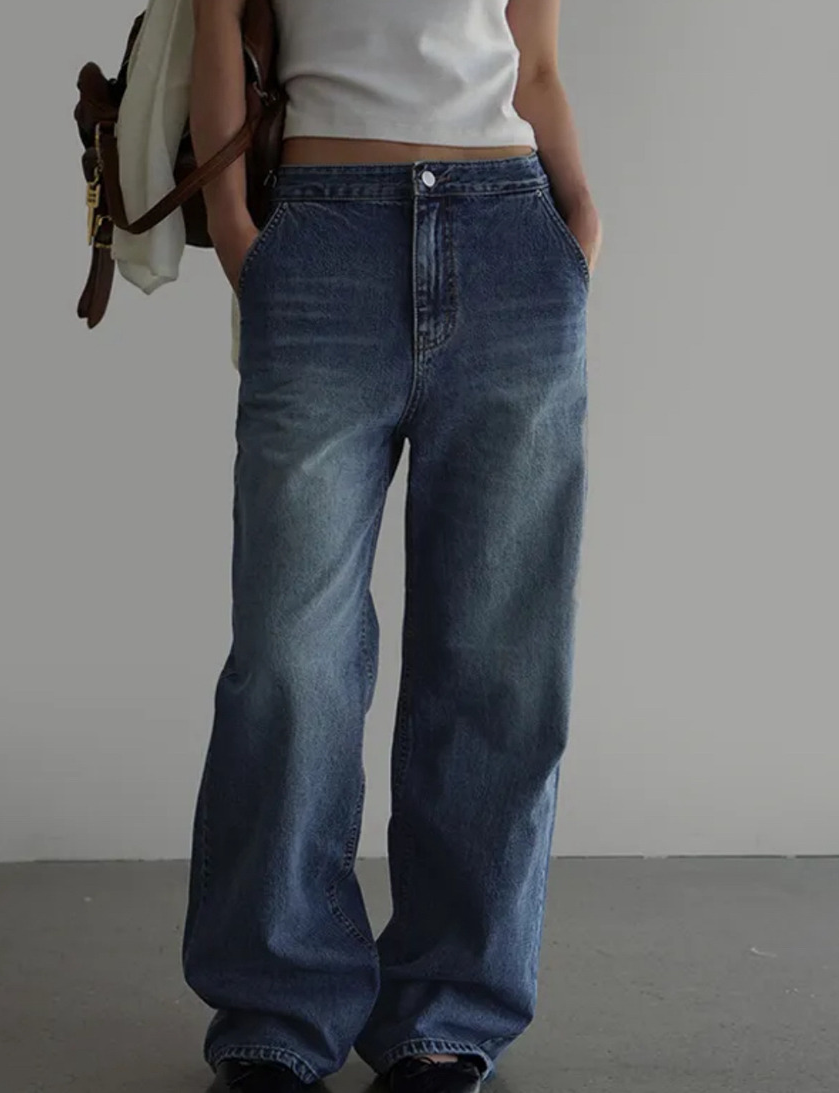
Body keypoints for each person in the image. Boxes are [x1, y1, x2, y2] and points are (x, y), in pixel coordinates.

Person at [181, 1, 601, 1090]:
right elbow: (215, 30)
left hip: (511, 240)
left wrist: (577, 230)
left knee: (496, 660)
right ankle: (277, 1009)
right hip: (323, 241)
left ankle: (447, 1011)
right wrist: (238, 231)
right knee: (290, 656)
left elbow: (536, 66)